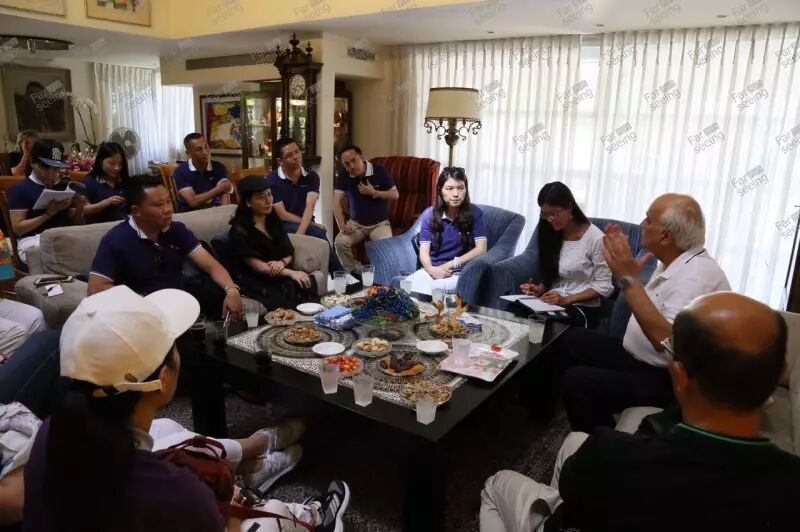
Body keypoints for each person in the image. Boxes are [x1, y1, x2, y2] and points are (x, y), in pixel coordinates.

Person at [21, 285, 350, 532]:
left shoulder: (54, 431)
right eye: (173, 344)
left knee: (168, 429)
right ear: (163, 379)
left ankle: (254, 450)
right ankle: (314, 519)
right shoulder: (175, 494)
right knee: (269, 515)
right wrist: (230, 512)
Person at [481, 291, 800, 532]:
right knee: (574, 440)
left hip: (593, 493)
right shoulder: (790, 485)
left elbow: (572, 486)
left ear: (679, 378)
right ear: (779, 375)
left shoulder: (615, 454)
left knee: (497, 484)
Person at [534, 193, 731, 431]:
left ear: (666, 236)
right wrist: (629, 278)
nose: (641, 225)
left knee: (577, 381)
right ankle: (538, 408)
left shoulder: (696, 276)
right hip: (639, 357)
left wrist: (627, 279)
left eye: (648, 220)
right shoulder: (674, 261)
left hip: (665, 378)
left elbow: (667, 342)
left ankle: (601, 441)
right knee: (568, 339)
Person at [87, 174, 243, 319]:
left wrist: (231, 289)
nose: (168, 209)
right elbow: (95, 288)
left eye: (168, 201)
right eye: (159, 205)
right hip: (142, 315)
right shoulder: (116, 240)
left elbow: (211, 265)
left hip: (181, 308)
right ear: (136, 210)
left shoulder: (176, 230)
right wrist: (141, 300)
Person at [518, 182, 613, 328]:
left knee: (548, 324)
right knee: (515, 311)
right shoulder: (550, 232)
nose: (549, 219)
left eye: (554, 214)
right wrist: (540, 288)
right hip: (553, 301)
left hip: (581, 306)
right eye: (545, 214)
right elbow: (555, 274)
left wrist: (566, 299)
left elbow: (604, 286)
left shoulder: (596, 239)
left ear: (570, 207)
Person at [228, 175, 316, 310]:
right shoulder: (239, 230)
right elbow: (259, 267)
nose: (268, 201)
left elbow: (288, 250)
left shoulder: (272, 217)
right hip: (257, 280)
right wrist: (291, 273)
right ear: (248, 202)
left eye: (269, 195)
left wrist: (281, 263)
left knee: (307, 284)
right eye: (261, 197)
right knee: (283, 298)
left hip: (278, 273)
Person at [267, 137, 344, 272]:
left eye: (297, 152)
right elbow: (282, 215)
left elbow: (310, 206)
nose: (296, 157)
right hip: (281, 224)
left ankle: (337, 274)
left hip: (305, 219)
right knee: (317, 231)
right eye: (289, 155)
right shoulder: (272, 180)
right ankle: (340, 273)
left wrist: (305, 227)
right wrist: (308, 229)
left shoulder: (311, 176)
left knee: (317, 232)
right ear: (280, 161)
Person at [408, 167, 487, 295]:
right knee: (407, 284)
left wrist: (450, 265)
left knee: (435, 288)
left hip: (458, 273)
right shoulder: (429, 215)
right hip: (432, 271)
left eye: (460, 188)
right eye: (449, 188)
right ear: (440, 190)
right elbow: (424, 252)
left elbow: (481, 250)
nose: (456, 194)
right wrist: (431, 270)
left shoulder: (475, 213)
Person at [7, 139, 86, 264]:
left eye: (55, 169)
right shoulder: (21, 190)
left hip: (63, 236)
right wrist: (48, 214)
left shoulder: (63, 187)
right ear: (33, 163)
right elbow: (18, 228)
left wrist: (80, 205)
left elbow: (77, 224)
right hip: (33, 240)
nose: (50, 173)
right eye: (45, 167)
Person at [333, 145, 398, 275]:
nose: (351, 166)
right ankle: (354, 272)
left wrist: (374, 192)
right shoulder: (344, 175)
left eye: (353, 160)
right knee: (340, 242)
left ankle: (378, 274)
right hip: (356, 224)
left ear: (362, 157)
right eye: (346, 164)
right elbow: (335, 201)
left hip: (379, 224)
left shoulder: (379, 171)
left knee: (386, 250)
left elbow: (395, 194)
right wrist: (342, 226)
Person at [174, 133, 232, 212]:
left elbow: (225, 195)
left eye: (206, 147)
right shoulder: (181, 171)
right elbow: (192, 201)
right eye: (199, 149)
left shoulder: (218, 167)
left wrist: (224, 213)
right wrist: (219, 189)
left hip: (214, 212)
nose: (205, 152)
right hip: (190, 213)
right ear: (188, 153)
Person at [81, 141, 130, 224]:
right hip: (100, 227)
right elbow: (83, 210)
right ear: (101, 161)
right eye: (112, 163)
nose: (117, 168)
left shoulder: (125, 181)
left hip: (124, 225)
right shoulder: (89, 182)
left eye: (120, 164)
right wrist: (106, 202)